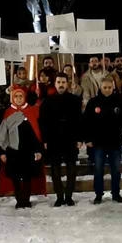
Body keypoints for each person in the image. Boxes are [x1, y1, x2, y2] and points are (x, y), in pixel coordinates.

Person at [0, 88, 45, 208]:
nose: (18, 99)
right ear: (13, 98)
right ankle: (19, 200)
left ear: (24, 98)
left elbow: (36, 133)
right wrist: (2, 152)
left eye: (20, 96)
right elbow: (3, 134)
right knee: (15, 177)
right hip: (12, 151)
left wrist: (38, 150)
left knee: (27, 176)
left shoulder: (30, 111)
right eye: (16, 96)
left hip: (27, 151)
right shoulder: (7, 113)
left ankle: (26, 200)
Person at [39, 73, 82, 207]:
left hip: (70, 139)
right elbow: (43, 122)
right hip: (54, 139)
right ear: (55, 83)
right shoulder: (47, 101)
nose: (61, 84)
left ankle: (68, 196)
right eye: (58, 82)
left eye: (63, 82)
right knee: (55, 170)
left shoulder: (75, 100)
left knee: (71, 169)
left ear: (67, 83)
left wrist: (79, 138)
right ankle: (59, 196)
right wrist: (45, 140)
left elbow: (79, 120)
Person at [83, 77, 122, 204]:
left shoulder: (119, 101)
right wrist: (88, 139)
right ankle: (98, 194)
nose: (107, 90)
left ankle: (116, 193)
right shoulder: (93, 102)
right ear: (100, 88)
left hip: (115, 142)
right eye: (105, 87)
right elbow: (87, 122)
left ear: (113, 87)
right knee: (98, 169)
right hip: (98, 143)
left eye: (109, 87)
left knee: (116, 169)